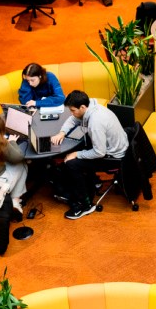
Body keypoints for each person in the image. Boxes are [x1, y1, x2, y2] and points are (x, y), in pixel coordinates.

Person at [49, 90, 128, 220]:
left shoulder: (95, 123)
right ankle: (92, 182)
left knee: (71, 163)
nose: (71, 113)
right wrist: (62, 133)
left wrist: (76, 154)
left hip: (113, 157)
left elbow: (99, 152)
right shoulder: (91, 104)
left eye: (73, 110)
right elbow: (73, 119)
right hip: (113, 146)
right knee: (79, 150)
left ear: (82, 107)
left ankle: (85, 205)